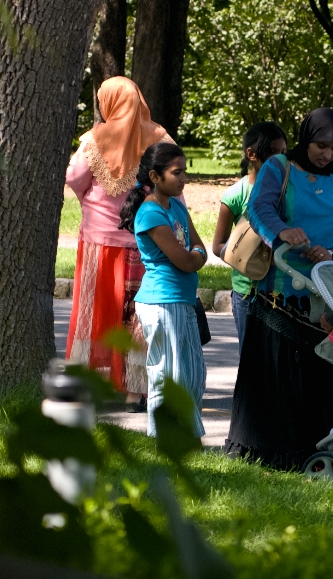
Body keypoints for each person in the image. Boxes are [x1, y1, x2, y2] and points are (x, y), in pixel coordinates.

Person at [224, 108, 333, 471]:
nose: (327, 155)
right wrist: (281, 234)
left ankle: (319, 455)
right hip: (279, 292)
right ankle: (269, 454)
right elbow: (258, 208)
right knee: (275, 379)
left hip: (327, 294)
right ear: (306, 139)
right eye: (321, 146)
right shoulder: (279, 167)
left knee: (323, 379)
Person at [65, 76, 175, 412]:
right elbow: (174, 182)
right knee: (136, 315)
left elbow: (74, 179)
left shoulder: (93, 139)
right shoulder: (159, 137)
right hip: (145, 241)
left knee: (93, 312)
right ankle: (135, 391)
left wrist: (93, 201)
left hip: (98, 243)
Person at [118, 142, 207, 438]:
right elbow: (185, 259)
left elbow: (200, 249)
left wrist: (195, 256)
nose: (184, 179)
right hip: (161, 303)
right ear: (156, 177)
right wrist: (194, 257)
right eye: (176, 172)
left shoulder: (177, 206)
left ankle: (187, 438)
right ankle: (165, 441)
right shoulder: (151, 214)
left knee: (194, 376)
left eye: (185, 172)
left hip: (182, 301)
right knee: (169, 377)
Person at [211, 122, 287, 352]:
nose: (280, 160)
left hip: (282, 290)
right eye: (273, 152)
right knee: (251, 361)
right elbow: (218, 246)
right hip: (247, 292)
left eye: (284, 153)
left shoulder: (290, 190)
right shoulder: (235, 194)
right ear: (251, 154)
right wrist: (246, 255)